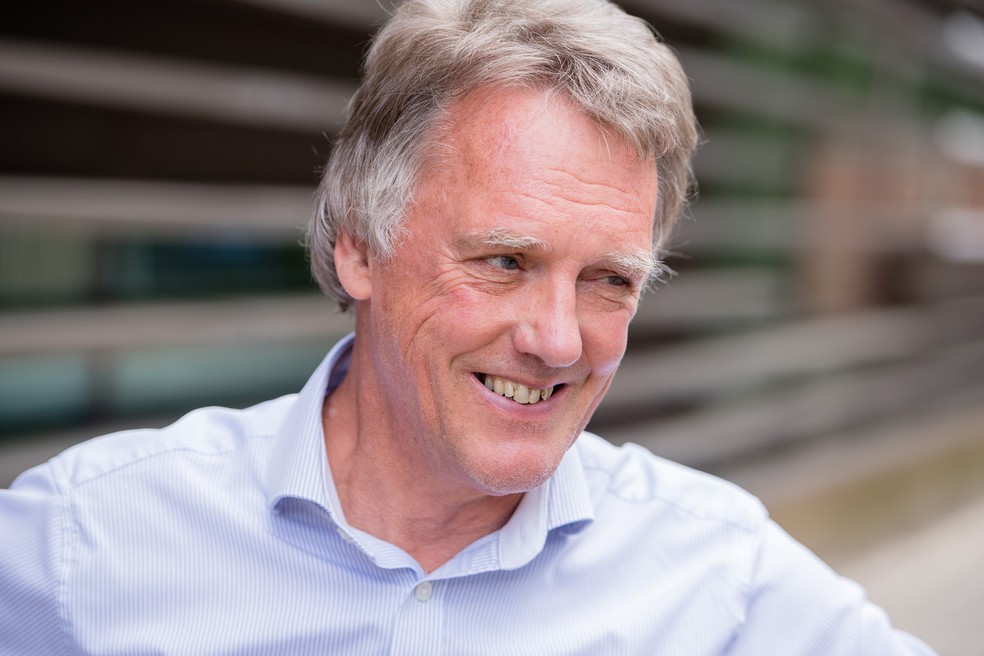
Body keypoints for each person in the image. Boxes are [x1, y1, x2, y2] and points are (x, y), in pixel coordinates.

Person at [0, 0, 935, 653]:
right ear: (359, 247)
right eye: (505, 262)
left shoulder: (716, 576)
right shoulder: (81, 545)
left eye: (609, 279)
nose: (560, 341)